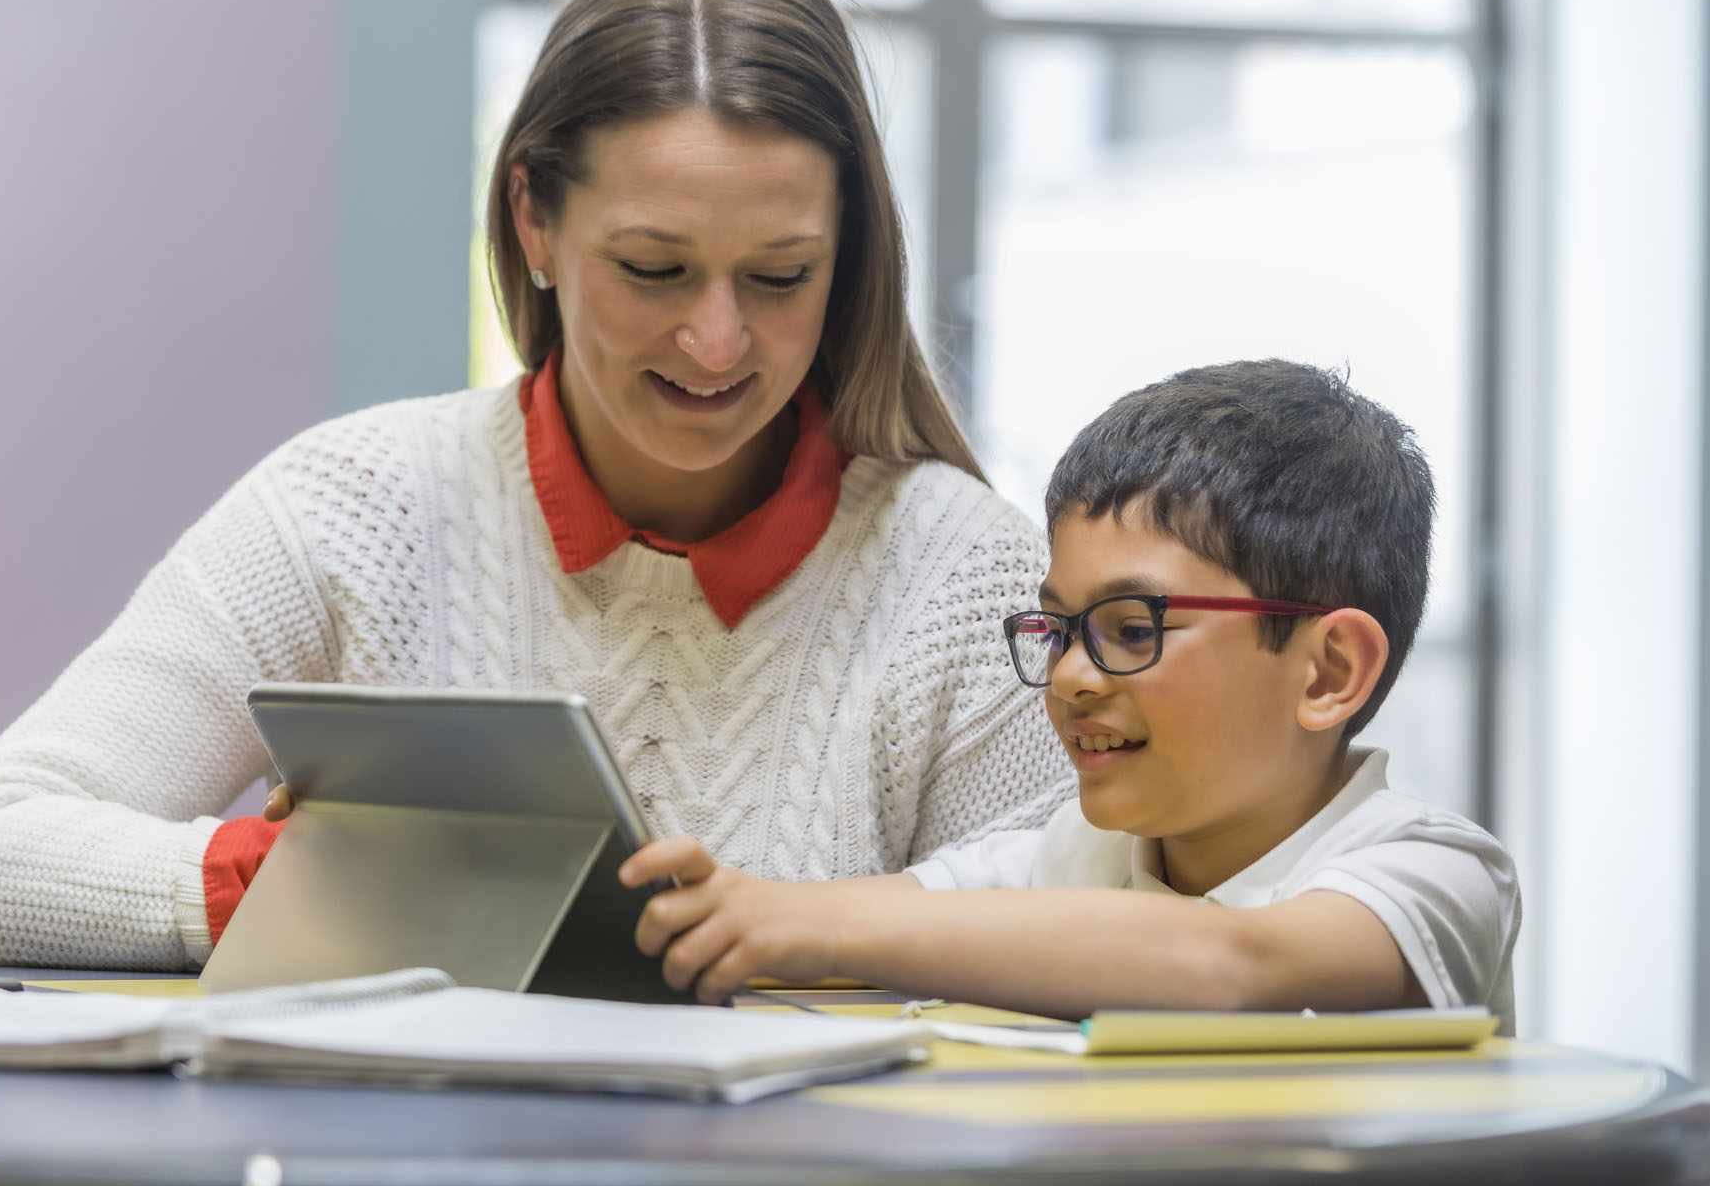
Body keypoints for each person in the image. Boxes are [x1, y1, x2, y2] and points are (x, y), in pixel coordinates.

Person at [0, 0, 1070, 971]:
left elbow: (1086, 929)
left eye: (780, 277)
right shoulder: (351, 508)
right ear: (533, 222)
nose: (718, 341)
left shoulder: (967, 580)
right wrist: (332, 881)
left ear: (847, 253)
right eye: (653, 269)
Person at [624, 360, 1521, 1032]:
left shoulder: (1430, 872)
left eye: (1131, 631)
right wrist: (722, 917)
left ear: (1327, 673)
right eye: (1055, 630)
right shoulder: (1076, 855)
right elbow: (889, 915)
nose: (1070, 676)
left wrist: (794, 926)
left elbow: (1234, 966)